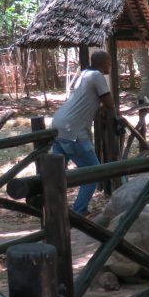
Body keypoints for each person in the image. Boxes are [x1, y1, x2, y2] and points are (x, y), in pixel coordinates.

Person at [50, 50, 114, 215]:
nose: (110, 66)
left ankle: (53, 210)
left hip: (58, 125)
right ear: (103, 63)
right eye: (109, 63)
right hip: (73, 130)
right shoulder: (97, 76)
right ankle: (80, 211)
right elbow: (109, 102)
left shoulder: (84, 73)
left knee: (55, 174)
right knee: (93, 171)